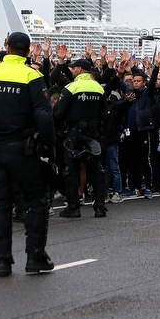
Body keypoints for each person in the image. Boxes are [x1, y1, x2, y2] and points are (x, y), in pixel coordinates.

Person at [0, 32, 56, 277]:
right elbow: (43, 116)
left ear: (6, 48)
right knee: (37, 202)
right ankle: (35, 256)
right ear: (28, 52)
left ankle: (2, 262)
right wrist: (50, 147)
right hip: (25, 150)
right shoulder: (33, 75)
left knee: (0, 204)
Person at [54, 58, 109, 218]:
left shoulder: (71, 87)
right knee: (96, 170)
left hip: (74, 134)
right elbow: (104, 114)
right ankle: (99, 207)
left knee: (72, 171)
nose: (71, 70)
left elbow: (58, 112)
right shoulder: (98, 88)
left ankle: (74, 207)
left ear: (80, 69)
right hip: (94, 134)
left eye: (73, 68)